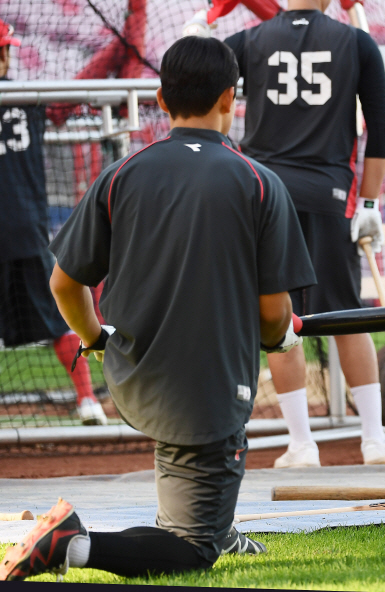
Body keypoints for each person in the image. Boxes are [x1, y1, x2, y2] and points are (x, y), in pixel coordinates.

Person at [0, 36, 317, 581]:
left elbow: (64, 284)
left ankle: (218, 522)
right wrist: (280, 337)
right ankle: (70, 545)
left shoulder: (122, 174)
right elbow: (272, 315)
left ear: (160, 99)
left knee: (198, 499)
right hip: (209, 391)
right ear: (230, 98)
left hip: (135, 377)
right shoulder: (259, 183)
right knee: (193, 551)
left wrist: (97, 341)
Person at [184, 0, 385, 467]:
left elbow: (200, 87)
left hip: (262, 193)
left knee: (279, 319)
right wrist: (368, 202)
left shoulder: (246, 41)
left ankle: (301, 444)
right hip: (329, 194)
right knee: (349, 315)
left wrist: (201, 29)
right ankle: (374, 440)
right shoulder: (358, 42)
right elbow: (380, 132)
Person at [0, 18, 106, 425]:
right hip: (26, 229)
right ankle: (87, 400)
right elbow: (74, 95)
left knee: (61, 321)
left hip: (26, 230)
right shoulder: (28, 98)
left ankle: (87, 400)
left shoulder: (28, 98)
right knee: (62, 318)